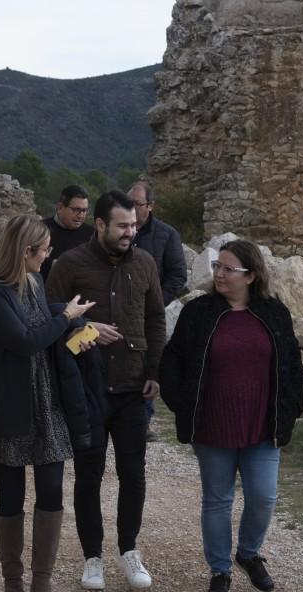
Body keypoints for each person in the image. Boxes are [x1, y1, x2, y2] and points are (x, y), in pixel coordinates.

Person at [159, 240, 303, 592]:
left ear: (251, 275)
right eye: (217, 267)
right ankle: (220, 571)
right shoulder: (199, 312)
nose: (219, 274)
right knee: (217, 500)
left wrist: (291, 407)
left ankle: (248, 552)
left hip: (261, 424)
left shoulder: (273, 312)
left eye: (229, 269)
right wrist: (184, 406)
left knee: (263, 497)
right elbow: (173, 361)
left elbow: (290, 366)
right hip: (212, 425)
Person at [0, 214, 96, 592]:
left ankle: (41, 583)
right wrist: (63, 318)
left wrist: (73, 316)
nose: (49, 255)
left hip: (47, 403)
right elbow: (27, 340)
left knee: (51, 490)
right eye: (44, 250)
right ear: (25, 251)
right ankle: (12, 586)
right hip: (8, 405)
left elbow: (40, 320)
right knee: (10, 496)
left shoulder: (35, 282)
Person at [46, 189, 166, 591]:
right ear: (100, 225)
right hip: (88, 389)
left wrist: (155, 372)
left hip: (134, 388)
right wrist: (87, 330)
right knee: (88, 475)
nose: (130, 231)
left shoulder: (146, 264)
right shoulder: (69, 265)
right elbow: (48, 318)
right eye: (122, 225)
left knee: (133, 474)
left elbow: (155, 321)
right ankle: (91, 557)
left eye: (134, 225)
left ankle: (129, 551)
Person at [128, 181, 187, 440]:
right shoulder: (117, 230)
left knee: (148, 360)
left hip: (148, 312)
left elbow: (177, 274)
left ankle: (144, 419)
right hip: (116, 309)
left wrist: (156, 303)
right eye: (127, 203)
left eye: (136, 204)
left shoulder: (166, 235)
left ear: (150, 206)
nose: (130, 209)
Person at [40, 185, 94, 280]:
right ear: (60, 207)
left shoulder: (91, 234)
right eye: (76, 210)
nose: (81, 215)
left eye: (84, 210)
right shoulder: (40, 230)